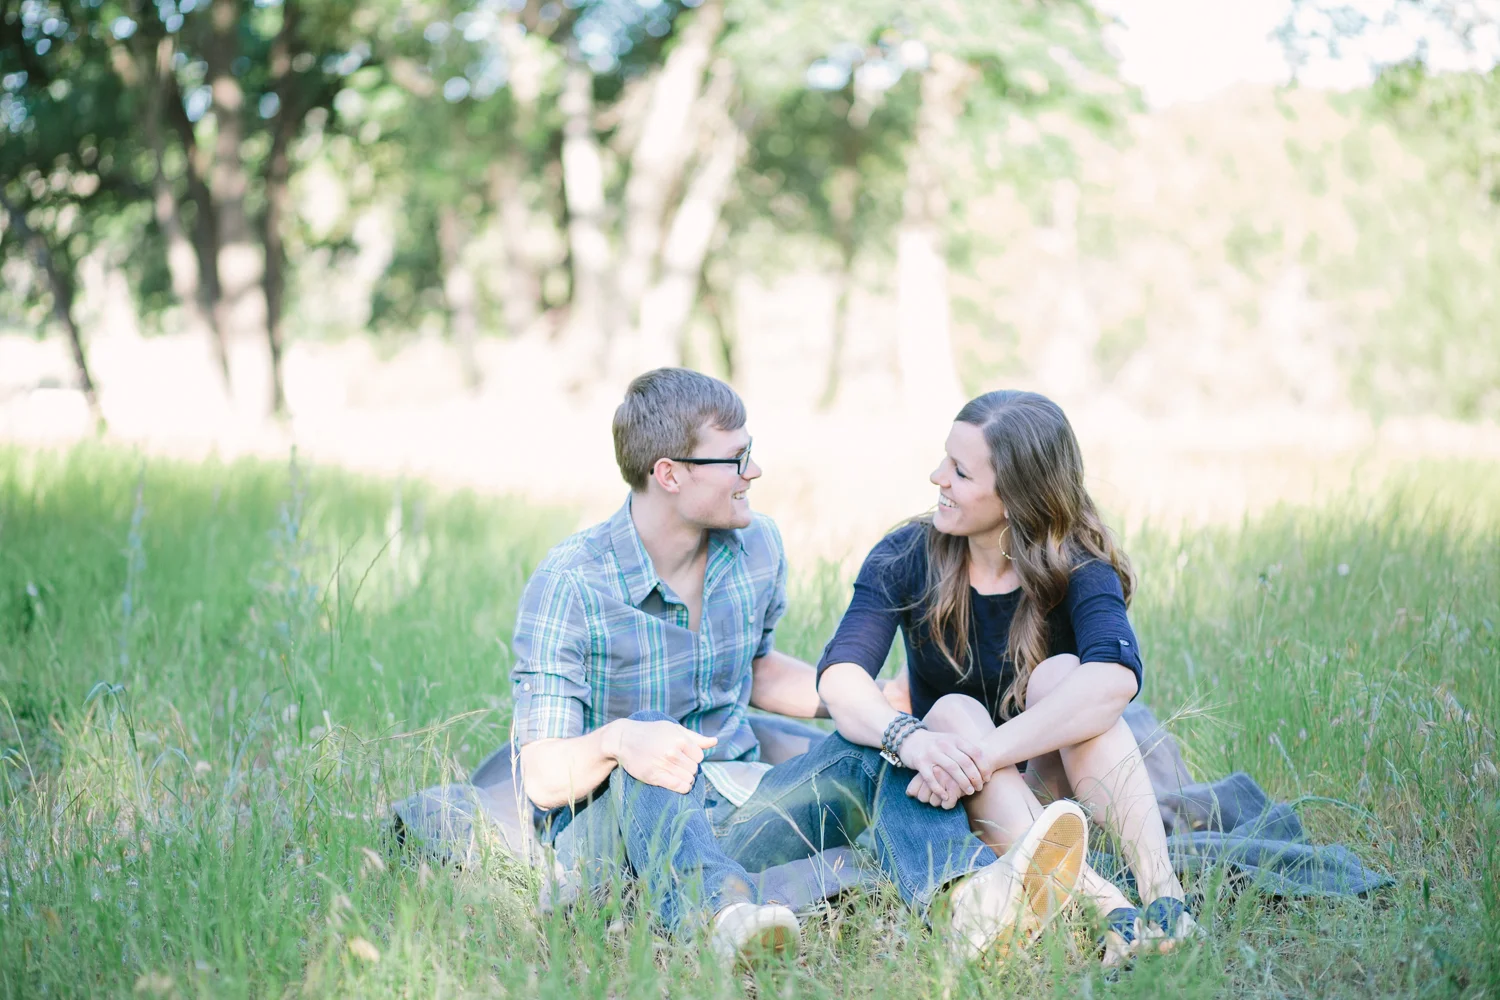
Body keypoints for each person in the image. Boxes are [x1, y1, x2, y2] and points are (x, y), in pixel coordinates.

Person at [510, 369, 1090, 965]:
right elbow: (540, 776)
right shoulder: (572, 583)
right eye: (737, 459)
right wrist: (622, 740)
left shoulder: (755, 547)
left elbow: (751, 668)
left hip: (733, 801)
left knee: (883, 746)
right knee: (651, 732)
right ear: (670, 474)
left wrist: (865, 701)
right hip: (622, 825)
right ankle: (721, 918)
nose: (754, 472)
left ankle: (966, 899)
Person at [816, 389, 1199, 965]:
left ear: (1017, 495)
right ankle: (1107, 906)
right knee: (949, 714)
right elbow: (840, 677)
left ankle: (1164, 897)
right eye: (945, 459)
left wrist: (989, 752)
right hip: (965, 795)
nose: (936, 476)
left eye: (961, 471)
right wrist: (912, 739)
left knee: (1064, 675)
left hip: (1063, 784)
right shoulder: (906, 555)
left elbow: (1115, 680)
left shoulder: (1077, 560)